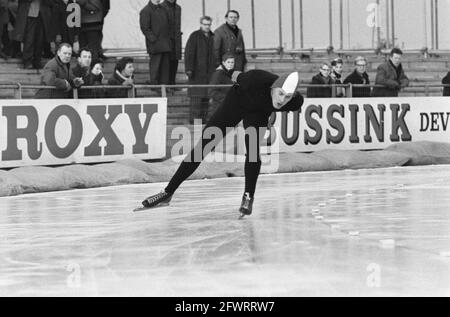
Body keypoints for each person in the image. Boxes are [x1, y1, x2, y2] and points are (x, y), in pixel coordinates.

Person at [137, 70, 304, 218]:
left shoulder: (295, 102)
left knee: (253, 152)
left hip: (257, 113)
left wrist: (274, 112)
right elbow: (234, 74)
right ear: (273, 88)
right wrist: (228, 71)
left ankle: (248, 197)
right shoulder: (254, 79)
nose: (282, 100)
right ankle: (167, 192)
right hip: (237, 102)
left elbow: (289, 103)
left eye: (288, 96)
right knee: (203, 147)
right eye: (280, 93)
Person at [184, 15, 216, 123]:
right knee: (196, 100)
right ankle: (194, 123)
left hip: (210, 74)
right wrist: (189, 69)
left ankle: (203, 121)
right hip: (196, 74)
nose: (207, 26)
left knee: (206, 99)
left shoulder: (213, 37)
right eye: (205, 24)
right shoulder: (195, 36)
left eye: (208, 24)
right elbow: (189, 53)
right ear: (201, 24)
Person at [13, 0, 54, 69]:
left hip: (42, 16)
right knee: (29, 40)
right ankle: (27, 62)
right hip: (29, 15)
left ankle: (37, 61)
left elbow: (52, 2)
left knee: (40, 41)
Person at [140, 0, 171, 85]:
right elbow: (145, 28)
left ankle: (164, 87)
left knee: (165, 68)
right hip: (155, 46)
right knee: (155, 67)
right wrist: (154, 39)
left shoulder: (163, 9)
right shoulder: (146, 11)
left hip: (165, 44)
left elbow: (168, 25)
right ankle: (155, 86)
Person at [208, 53, 235, 120]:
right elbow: (212, 91)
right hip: (218, 108)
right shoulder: (218, 74)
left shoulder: (230, 74)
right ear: (223, 63)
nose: (231, 64)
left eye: (232, 62)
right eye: (228, 62)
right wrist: (226, 99)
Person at [162, 0, 181, 85]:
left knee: (174, 62)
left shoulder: (178, 8)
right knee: (166, 63)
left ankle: (172, 83)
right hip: (166, 39)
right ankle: (166, 85)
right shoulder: (161, 7)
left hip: (176, 40)